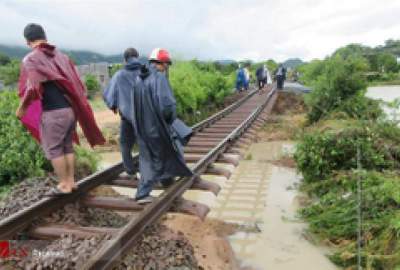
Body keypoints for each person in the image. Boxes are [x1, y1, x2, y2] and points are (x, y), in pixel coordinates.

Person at [16, 23, 105, 195]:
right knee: (66, 146)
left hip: (53, 113)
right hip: (69, 111)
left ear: (28, 41)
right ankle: (71, 181)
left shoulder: (31, 58)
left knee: (54, 148)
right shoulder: (61, 57)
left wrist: (22, 108)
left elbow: (33, 88)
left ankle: (64, 184)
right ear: (44, 36)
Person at [131, 48, 193, 203]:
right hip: (156, 127)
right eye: (167, 64)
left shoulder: (139, 79)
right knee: (165, 153)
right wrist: (171, 120)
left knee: (147, 159)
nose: (167, 68)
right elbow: (167, 106)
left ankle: (169, 184)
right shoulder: (159, 78)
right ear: (162, 63)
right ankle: (143, 193)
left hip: (141, 127)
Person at [103, 48, 141, 177]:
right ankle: (152, 173)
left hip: (127, 117)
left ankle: (131, 172)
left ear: (125, 60)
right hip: (146, 117)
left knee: (125, 145)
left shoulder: (119, 75)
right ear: (137, 57)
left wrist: (113, 105)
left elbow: (109, 94)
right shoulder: (145, 72)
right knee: (147, 144)